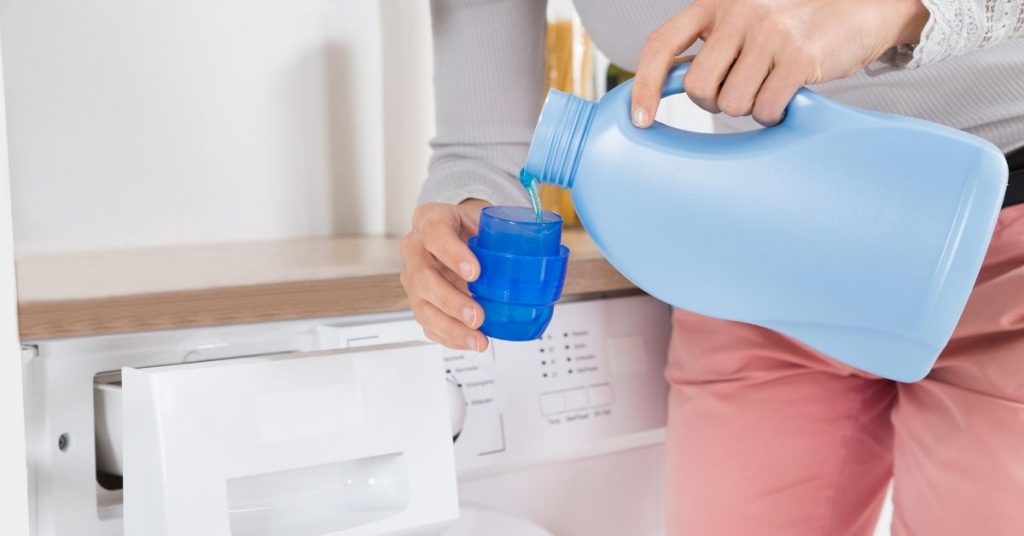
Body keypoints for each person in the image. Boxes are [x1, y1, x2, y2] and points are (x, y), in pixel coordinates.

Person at [399, 1, 1024, 534]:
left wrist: (890, 9)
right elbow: (487, 144)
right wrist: (463, 215)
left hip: (1003, 244)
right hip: (751, 262)